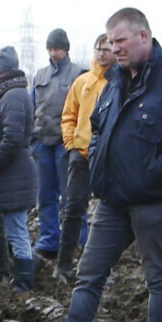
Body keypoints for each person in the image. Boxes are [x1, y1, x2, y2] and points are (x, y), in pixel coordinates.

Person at [23, 8, 162, 322]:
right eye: (110, 42)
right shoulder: (114, 81)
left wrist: (152, 174)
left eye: (121, 40)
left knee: (157, 275)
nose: (114, 48)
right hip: (112, 198)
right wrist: (101, 159)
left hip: (153, 199)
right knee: (89, 272)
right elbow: (99, 124)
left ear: (144, 37)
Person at [0, 46, 38, 291]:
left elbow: (12, 138)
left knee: (16, 231)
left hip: (13, 175)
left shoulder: (13, 95)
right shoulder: (8, 93)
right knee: (15, 229)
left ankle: (24, 283)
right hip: (12, 175)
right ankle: (23, 277)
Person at [58, 33, 113, 274]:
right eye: (98, 48)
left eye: (107, 48)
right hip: (80, 154)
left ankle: (104, 269)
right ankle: (63, 264)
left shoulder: (119, 83)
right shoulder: (82, 82)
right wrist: (71, 144)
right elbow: (68, 115)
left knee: (108, 215)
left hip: (110, 159)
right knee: (73, 209)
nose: (102, 53)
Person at [30, 28, 81, 265]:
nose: (54, 53)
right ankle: (49, 241)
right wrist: (33, 139)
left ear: (66, 49)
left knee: (70, 195)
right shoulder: (40, 75)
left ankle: (79, 242)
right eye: (50, 49)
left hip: (66, 144)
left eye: (57, 49)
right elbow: (32, 108)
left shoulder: (78, 74)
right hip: (42, 143)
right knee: (45, 195)